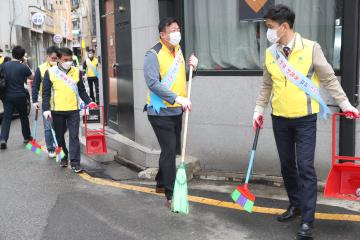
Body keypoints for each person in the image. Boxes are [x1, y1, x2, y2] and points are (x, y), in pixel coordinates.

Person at [253, 4, 359, 239]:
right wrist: (258, 110)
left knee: (306, 168)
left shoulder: (311, 48)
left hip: (305, 120)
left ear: (284, 26)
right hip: (279, 118)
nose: (268, 31)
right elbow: (266, 85)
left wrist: (345, 104)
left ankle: (308, 220)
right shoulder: (271, 53)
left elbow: (329, 79)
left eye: (270, 27)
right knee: (287, 166)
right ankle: (296, 205)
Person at [144, 17, 198, 208]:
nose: (177, 33)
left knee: (172, 150)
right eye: (172, 30)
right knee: (169, 150)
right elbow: (153, 83)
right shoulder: (153, 54)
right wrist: (177, 98)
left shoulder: (178, 51)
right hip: (159, 112)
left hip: (177, 110)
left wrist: (194, 68)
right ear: (163, 34)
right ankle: (171, 194)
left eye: (178, 29)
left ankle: (160, 182)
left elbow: (181, 79)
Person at [42, 47, 97, 173]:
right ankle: (63, 156)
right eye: (65, 60)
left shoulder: (76, 72)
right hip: (57, 111)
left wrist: (89, 102)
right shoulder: (51, 72)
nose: (68, 62)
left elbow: (82, 91)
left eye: (70, 60)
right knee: (59, 137)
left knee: (74, 136)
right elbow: (45, 93)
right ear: (59, 59)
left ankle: (75, 162)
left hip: (73, 110)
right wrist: (46, 109)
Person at [0, 46, 34, 149]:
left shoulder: (4, 65)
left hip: (7, 95)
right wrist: (25, 64)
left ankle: (3, 139)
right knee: (23, 116)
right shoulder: (23, 67)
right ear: (22, 56)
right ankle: (27, 137)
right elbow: (32, 77)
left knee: (7, 117)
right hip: (20, 95)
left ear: (12, 54)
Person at [32, 46, 59, 158]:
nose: (54, 60)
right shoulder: (41, 68)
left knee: (59, 127)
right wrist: (34, 100)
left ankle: (58, 144)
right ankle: (51, 148)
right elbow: (35, 85)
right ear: (47, 57)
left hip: (61, 102)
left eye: (56, 58)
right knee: (48, 127)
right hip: (46, 102)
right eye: (52, 58)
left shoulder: (61, 67)